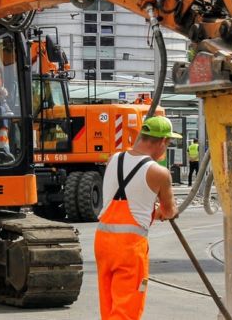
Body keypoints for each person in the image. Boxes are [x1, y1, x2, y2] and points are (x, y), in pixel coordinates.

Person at [95, 116, 180, 320]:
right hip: (130, 249)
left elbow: (127, 195)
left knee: (109, 306)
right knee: (126, 310)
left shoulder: (113, 159)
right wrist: (159, 211)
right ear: (161, 142)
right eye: (167, 143)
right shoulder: (159, 172)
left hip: (103, 243)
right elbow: (169, 211)